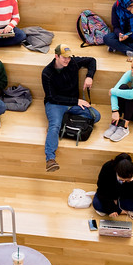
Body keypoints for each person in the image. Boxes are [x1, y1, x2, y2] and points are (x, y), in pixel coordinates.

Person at [41, 43, 99, 173]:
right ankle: (50, 159)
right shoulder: (47, 73)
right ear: (56, 56)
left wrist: (89, 76)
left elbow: (92, 61)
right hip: (55, 104)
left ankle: (64, 122)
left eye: (68, 57)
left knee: (96, 116)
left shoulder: (72, 62)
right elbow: (52, 97)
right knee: (54, 126)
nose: (67, 60)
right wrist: (76, 101)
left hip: (73, 103)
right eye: (64, 58)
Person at [93, 153, 133, 219]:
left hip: (126, 197)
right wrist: (111, 208)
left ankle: (117, 210)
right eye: (121, 180)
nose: (123, 182)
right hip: (110, 196)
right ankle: (126, 212)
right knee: (97, 204)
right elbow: (101, 190)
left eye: (126, 180)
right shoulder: (107, 168)